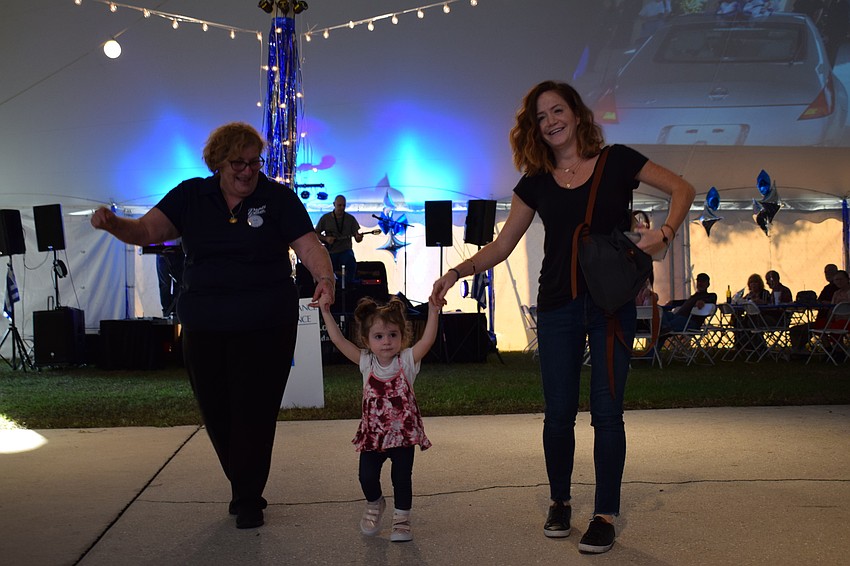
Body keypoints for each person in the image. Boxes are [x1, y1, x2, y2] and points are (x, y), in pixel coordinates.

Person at [429, 80, 695, 555]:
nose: (550, 121)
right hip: (557, 305)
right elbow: (503, 243)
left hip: (610, 303)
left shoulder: (618, 161)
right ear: (534, 128)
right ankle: (560, 501)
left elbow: (682, 187)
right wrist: (456, 271)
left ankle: (605, 514)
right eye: (541, 117)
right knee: (558, 415)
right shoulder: (534, 181)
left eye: (557, 111)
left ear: (576, 113)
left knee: (608, 413)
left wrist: (666, 233)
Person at [91, 122, 335, 529]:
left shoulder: (277, 198)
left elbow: (309, 245)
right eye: (237, 163)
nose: (247, 171)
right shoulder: (191, 195)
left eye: (254, 163)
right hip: (205, 322)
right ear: (218, 163)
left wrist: (324, 278)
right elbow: (148, 230)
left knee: (255, 408)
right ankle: (243, 482)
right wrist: (114, 224)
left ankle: (248, 496)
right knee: (217, 409)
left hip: (267, 322)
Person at [318, 294, 440, 542]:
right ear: (366, 340)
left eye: (393, 335)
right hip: (373, 436)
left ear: (403, 336)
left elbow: (428, 340)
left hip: (403, 436)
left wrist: (434, 312)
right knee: (367, 477)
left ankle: (402, 520)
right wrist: (326, 313)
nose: (386, 342)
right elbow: (338, 340)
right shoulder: (366, 362)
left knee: (402, 479)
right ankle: (375, 503)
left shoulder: (406, 361)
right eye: (379, 336)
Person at [315, 195, 363, 284]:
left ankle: (349, 285)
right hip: (331, 252)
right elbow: (315, 234)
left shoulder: (350, 219)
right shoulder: (325, 218)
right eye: (339, 205)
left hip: (345, 251)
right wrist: (326, 238)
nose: (342, 208)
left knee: (350, 261)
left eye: (344, 205)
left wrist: (358, 238)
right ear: (334, 204)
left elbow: (357, 238)